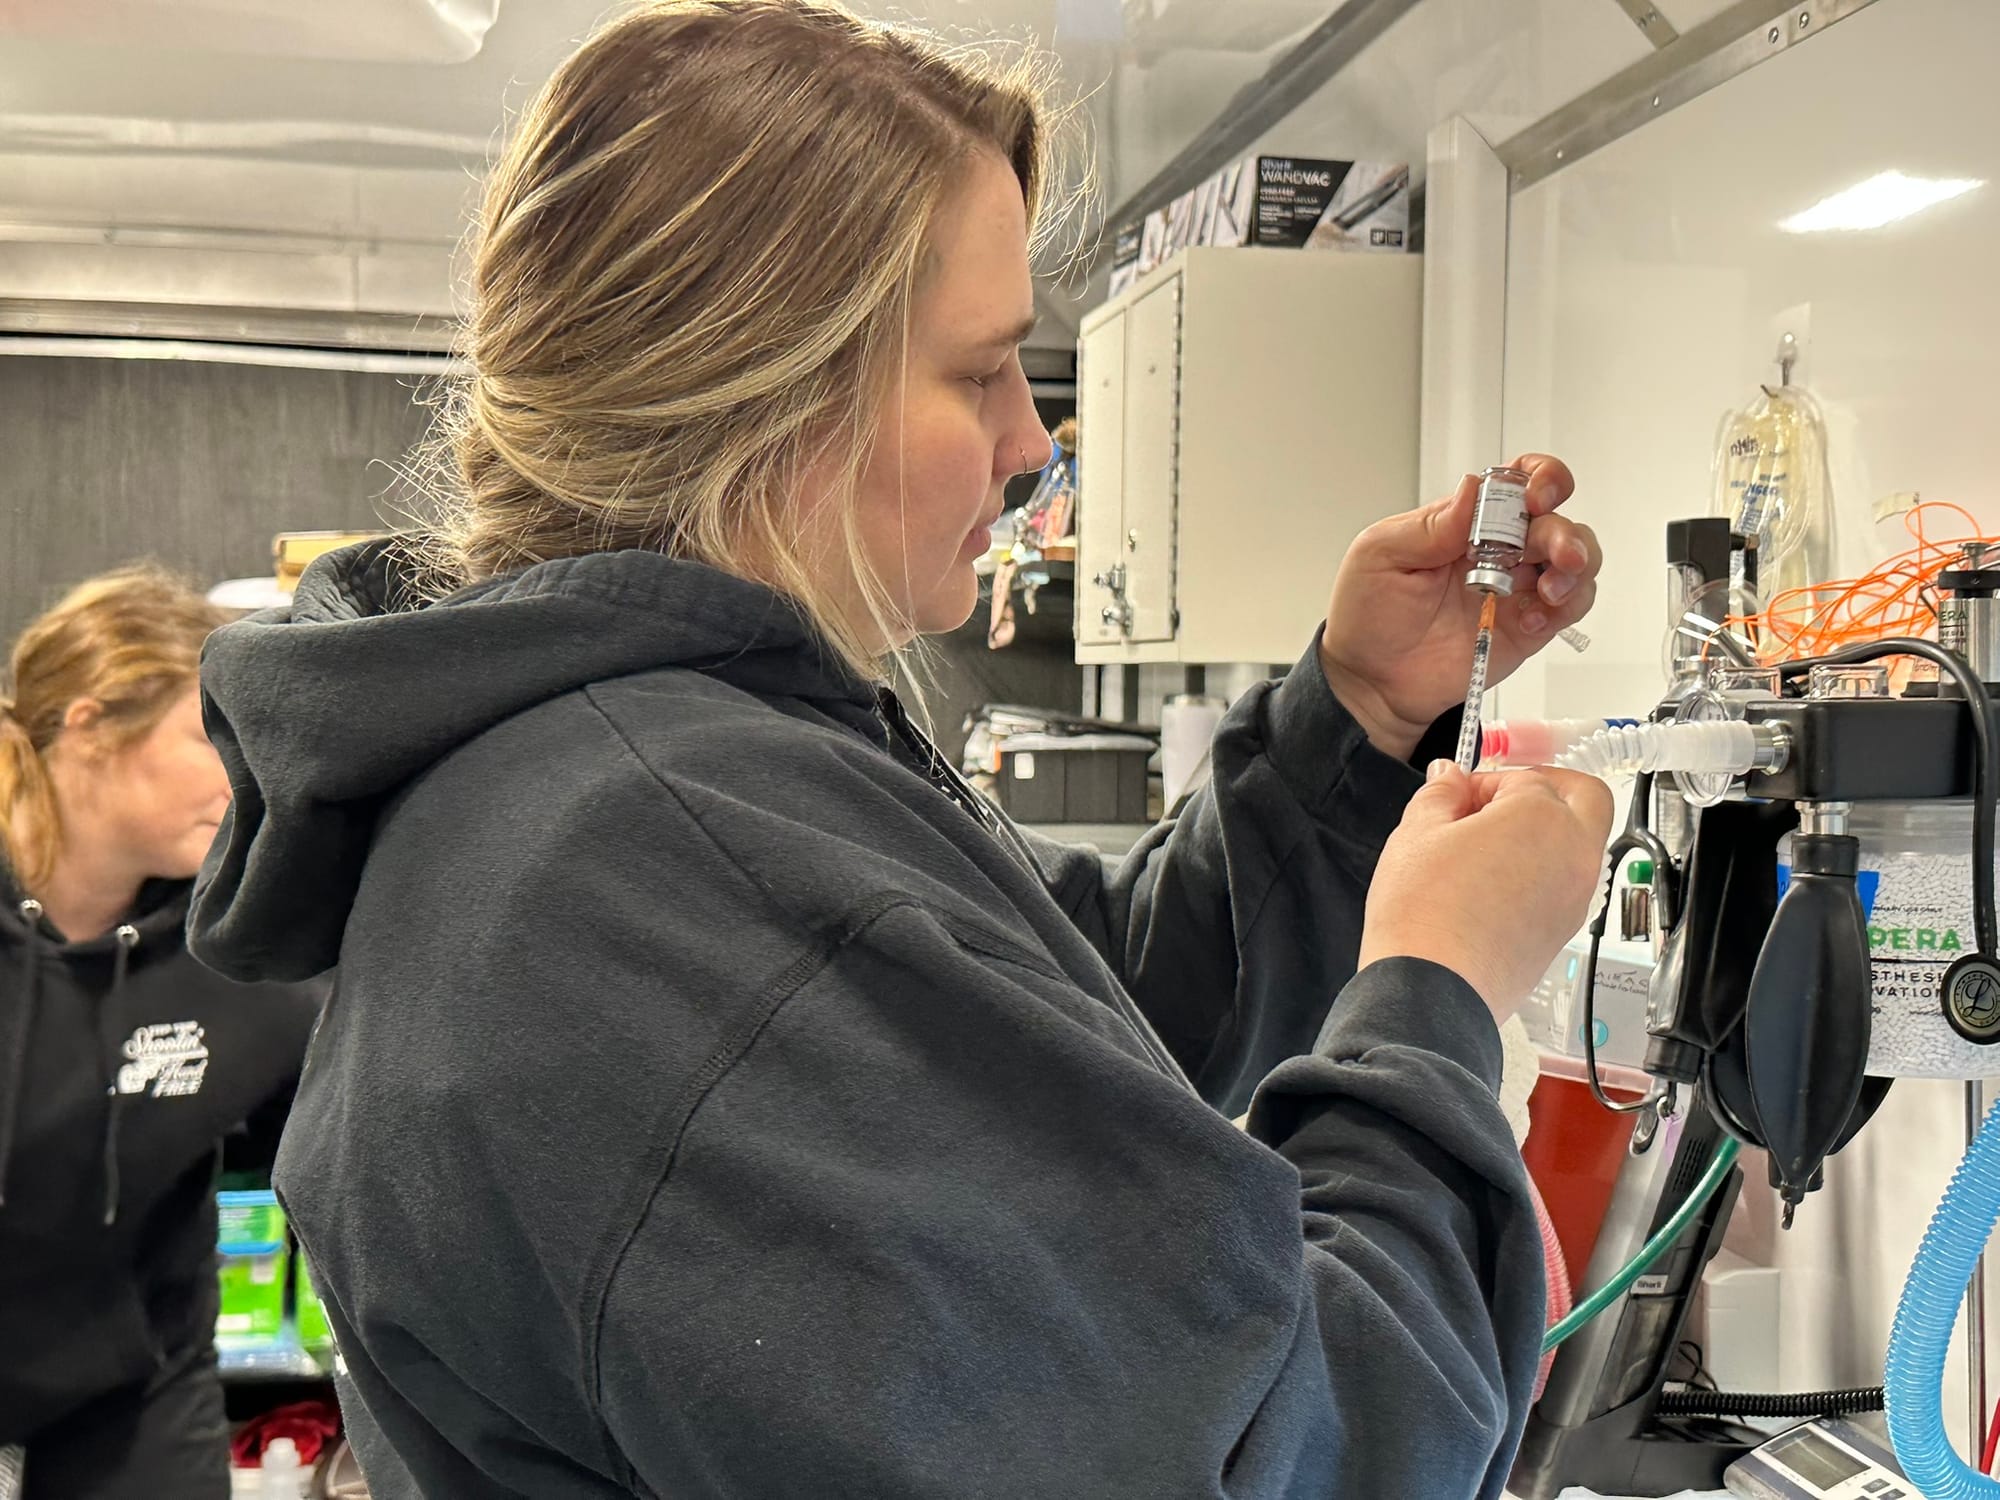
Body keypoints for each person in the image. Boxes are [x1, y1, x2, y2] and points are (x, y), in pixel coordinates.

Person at [186, 2, 1611, 1495]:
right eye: (980, 370)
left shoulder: (630, 772)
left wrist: (1360, 715)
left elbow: (1086, 1014)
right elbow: (1302, 1457)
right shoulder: (662, 870)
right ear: (764, 386)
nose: (1033, 443)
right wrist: (1438, 997)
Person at [0, 566, 324, 1500]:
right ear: (90, 726)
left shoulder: (243, 954)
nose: (245, 774)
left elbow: (354, 1150)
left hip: (132, 1374)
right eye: (210, 735)